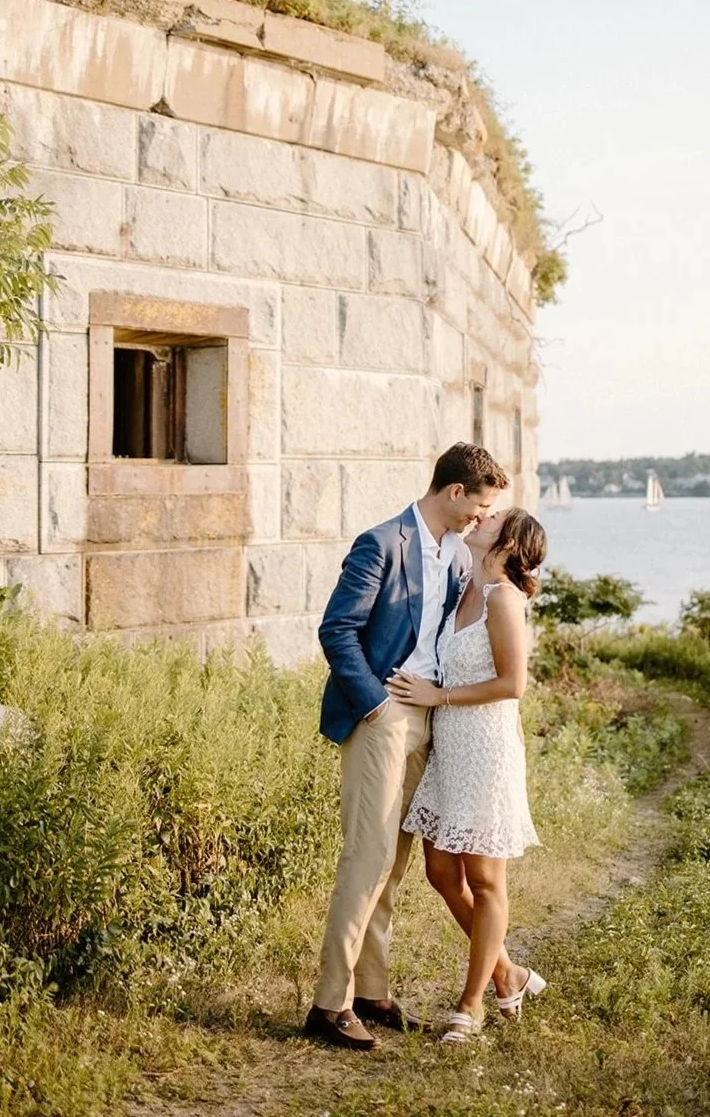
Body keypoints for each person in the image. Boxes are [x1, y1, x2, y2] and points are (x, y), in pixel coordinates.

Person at [304, 443, 509, 1051]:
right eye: (481, 504)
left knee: (391, 866)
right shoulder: (381, 542)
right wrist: (375, 705)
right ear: (454, 493)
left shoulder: (455, 551)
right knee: (366, 858)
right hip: (383, 717)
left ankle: (372, 992)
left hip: (430, 718)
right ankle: (329, 1004)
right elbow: (336, 629)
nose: (482, 517)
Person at [388, 507, 548, 1043]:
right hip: (450, 748)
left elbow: (513, 683)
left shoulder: (504, 597)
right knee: (439, 871)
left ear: (507, 543)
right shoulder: (464, 589)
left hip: (486, 749)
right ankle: (510, 975)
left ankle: (472, 1006)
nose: (481, 518)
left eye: (494, 518)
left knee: (484, 880)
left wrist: (441, 697)